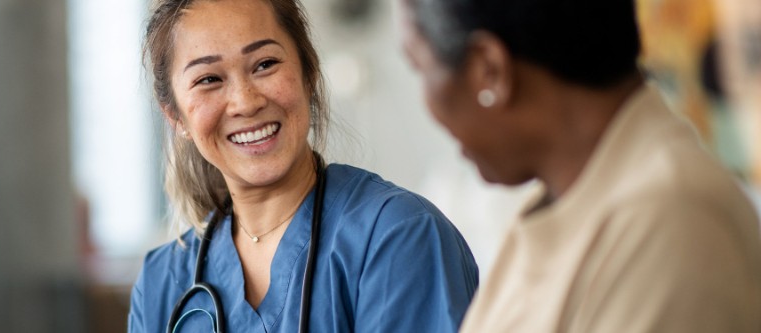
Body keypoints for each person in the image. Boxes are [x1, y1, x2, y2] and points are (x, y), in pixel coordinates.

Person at [398, 0, 761, 331]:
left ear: (488, 70)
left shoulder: (669, 218)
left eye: (420, 68)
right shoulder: (564, 204)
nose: (427, 106)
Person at [128, 0, 480, 332]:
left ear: (308, 73)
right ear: (175, 116)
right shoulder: (161, 283)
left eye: (265, 64)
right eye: (209, 80)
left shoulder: (398, 236)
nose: (245, 103)